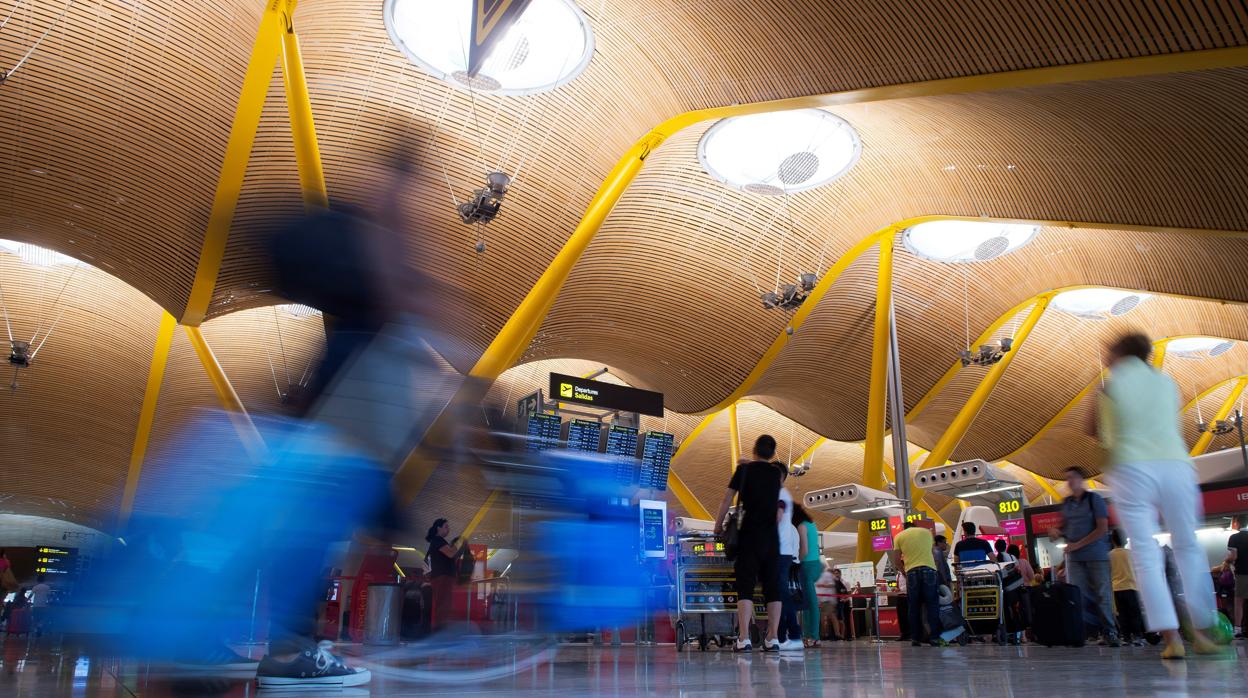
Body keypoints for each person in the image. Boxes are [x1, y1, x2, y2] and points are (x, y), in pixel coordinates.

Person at [1092, 332, 1220, 658]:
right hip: (1176, 465)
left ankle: (1172, 640)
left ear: (1119, 353)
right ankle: (1203, 633)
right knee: (1188, 546)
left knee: (1145, 554)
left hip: (1132, 469)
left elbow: (1096, 432)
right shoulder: (1166, 382)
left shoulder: (1110, 386)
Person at [714, 435, 786, 652]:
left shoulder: (743, 471)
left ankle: (744, 638)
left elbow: (726, 499)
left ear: (754, 449)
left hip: (748, 537)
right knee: (772, 588)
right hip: (771, 540)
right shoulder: (776, 474)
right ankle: (772, 638)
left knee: (745, 587)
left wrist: (718, 526)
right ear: (772, 454)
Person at [1047, 467, 1120, 647]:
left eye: (1072, 477)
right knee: (1079, 595)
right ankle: (1088, 632)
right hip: (1075, 558)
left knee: (1102, 594)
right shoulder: (1067, 503)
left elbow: (1102, 529)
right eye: (1067, 478)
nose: (1069, 482)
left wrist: (1077, 544)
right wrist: (1057, 532)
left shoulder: (1094, 500)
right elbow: (1065, 527)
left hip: (1096, 555)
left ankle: (1110, 631)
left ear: (1081, 479)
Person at [893, 521, 941, 647]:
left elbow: (896, 560)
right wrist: (935, 569)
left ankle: (915, 638)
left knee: (913, 606)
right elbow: (934, 554)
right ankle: (934, 638)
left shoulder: (899, 536)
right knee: (932, 605)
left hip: (912, 572)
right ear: (915, 527)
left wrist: (904, 573)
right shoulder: (927, 533)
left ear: (904, 528)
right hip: (929, 570)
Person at [774, 486, 803, 652]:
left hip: (785, 562)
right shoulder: (793, 529)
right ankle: (781, 635)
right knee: (781, 598)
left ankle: (790, 635)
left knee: (781, 597)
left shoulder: (787, 528)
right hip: (792, 565)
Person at [426, 518, 464, 631]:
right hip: (443, 577)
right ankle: (441, 631)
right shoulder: (438, 540)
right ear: (438, 528)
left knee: (444, 604)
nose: (448, 529)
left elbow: (451, 556)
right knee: (444, 605)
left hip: (443, 577)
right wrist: (458, 543)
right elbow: (451, 554)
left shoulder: (438, 541)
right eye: (446, 526)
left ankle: (442, 630)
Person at [1109, 529, 1145, 646]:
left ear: (1113, 541)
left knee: (1122, 614)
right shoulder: (1131, 554)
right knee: (1134, 613)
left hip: (1116, 588)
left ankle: (1126, 637)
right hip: (1131, 587)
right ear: (1125, 540)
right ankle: (1137, 637)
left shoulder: (1109, 555)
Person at [794, 504, 822, 648]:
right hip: (816, 564)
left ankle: (814, 636)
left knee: (810, 603)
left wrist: (795, 562)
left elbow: (804, 550)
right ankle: (809, 635)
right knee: (808, 602)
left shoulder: (801, 527)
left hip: (807, 566)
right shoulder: (812, 524)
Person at [1225, 521, 1248, 637]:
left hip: (1242, 573)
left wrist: (1227, 561)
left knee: (1239, 601)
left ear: (1237, 523)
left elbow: (1234, 556)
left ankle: (1238, 629)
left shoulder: (1234, 537)